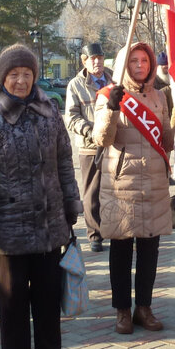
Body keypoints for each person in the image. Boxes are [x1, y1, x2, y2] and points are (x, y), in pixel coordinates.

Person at [0, 44, 81, 349]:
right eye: (14, 74)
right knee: (13, 299)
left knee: (47, 293)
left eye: (27, 74)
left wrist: (70, 204)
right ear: (3, 78)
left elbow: (64, 165)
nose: (21, 80)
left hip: (48, 223)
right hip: (7, 228)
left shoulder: (49, 112)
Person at [93, 42, 174, 335]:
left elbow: (165, 141)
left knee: (150, 250)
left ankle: (144, 308)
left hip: (153, 183)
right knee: (121, 250)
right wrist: (113, 108)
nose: (140, 66)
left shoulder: (160, 97)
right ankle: (122, 311)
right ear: (123, 64)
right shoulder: (109, 95)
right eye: (133, 61)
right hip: (122, 184)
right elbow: (102, 138)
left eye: (144, 61)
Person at [64, 42, 113, 252]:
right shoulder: (76, 84)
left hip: (114, 145)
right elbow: (72, 116)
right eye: (93, 58)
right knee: (92, 192)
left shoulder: (113, 79)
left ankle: (114, 228)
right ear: (84, 61)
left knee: (115, 190)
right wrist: (90, 131)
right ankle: (95, 234)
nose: (97, 62)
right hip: (90, 146)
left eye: (100, 58)